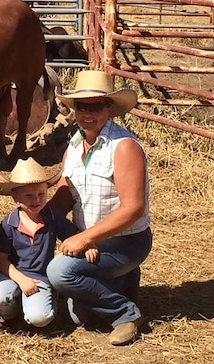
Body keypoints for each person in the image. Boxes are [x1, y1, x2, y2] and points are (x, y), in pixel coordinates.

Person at [45, 70, 152, 346]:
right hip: (93, 241)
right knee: (78, 315)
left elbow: (133, 209)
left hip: (125, 241)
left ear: (110, 108)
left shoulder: (124, 146)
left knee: (60, 272)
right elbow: (68, 192)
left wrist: (84, 237)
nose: (87, 113)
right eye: (81, 106)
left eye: (95, 106)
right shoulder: (74, 143)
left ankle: (125, 313)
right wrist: (41, 215)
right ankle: (121, 281)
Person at [0, 157, 98, 332]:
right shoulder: (8, 223)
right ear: (15, 197)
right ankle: (9, 315)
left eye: (41, 194)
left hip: (40, 277)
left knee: (39, 319)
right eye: (28, 195)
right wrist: (22, 280)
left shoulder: (52, 217)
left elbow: (74, 235)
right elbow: (1, 260)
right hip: (13, 275)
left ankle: (47, 299)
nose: (36, 200)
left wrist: (87, 243)